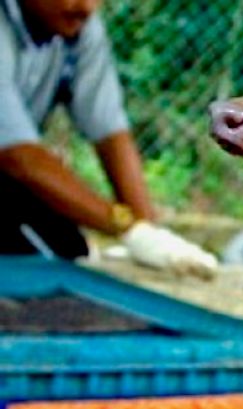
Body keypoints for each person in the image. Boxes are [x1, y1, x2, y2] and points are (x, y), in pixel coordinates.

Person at [0, 0, 216, 276]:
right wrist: (127, 227)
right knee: (36, 266)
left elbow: (110, 132)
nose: (85, 6)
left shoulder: (77, 26)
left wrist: (152, 235)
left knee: (68, 252)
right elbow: (17, 156)